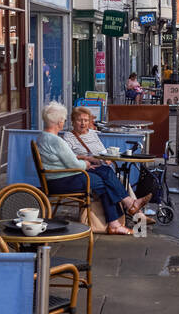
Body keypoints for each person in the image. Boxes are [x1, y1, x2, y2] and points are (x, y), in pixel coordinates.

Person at [38, 101, 144, 236]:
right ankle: (123, 213)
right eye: (63, 120)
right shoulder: (56, 140)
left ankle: (120, 218)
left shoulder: (43, 137)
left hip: (58, 178)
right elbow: (75, 164)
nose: (63, 122)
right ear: (59, 121)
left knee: (105, 174)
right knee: (104, 183)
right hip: (61, 181)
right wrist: (86, 164)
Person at [62, 106, 158, 205]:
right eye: (79, 120)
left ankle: (134, 209)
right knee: (112, 179)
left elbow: (102, 150)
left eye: (86, 120)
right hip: (86, 168)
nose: (83, 123)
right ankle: (132, 206)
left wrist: (107, 158)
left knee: (122, 180)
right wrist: (86, 158)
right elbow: (68, 156)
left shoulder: (93, 134)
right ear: (73, 121)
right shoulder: (69, 136)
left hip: (101, 165)